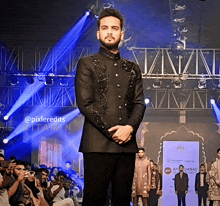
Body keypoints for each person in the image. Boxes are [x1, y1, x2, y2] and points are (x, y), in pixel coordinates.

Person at [75, 8, 146, 206]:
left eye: (114, 28)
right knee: (94, 199)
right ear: (98, 33)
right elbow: (85, 104)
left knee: (122, 200)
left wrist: (129, 128)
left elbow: (139, 103)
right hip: (96, 145)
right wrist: (116, 132)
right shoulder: (86, 63)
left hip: (126, 147)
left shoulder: (133, 68)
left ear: (122, 34)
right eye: (104, 28)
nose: (109, 32)